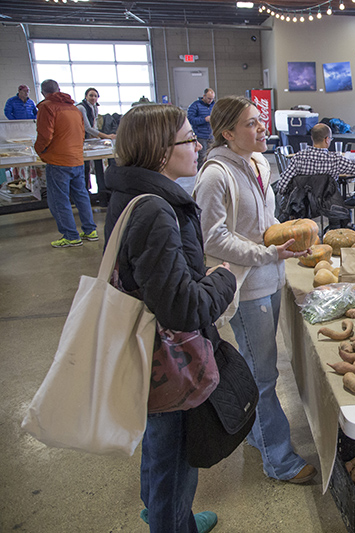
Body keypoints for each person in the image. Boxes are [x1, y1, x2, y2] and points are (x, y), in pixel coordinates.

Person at [104, 104, 236, 533]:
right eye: (188, 139)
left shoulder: (132, 193)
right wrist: (223, 279)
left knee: (159, 444)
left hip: (146, 348)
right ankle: (172, 522)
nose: (198, 145)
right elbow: (181, 309)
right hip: (168, 356)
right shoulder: (157, 209)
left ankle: (168, 514)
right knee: (174, 457)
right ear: (161, 152)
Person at [193, 96, 317, 484]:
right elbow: (211, 239)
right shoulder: (215, 175)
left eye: (261, 121)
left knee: (261, 367)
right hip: (246, 289)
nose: (262, 128)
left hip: (272, 278)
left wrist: (291, 234)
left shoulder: (260, 162)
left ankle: (255, 433)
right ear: (228, 133)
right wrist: (265, 253)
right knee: (262, 376)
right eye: (251, 124)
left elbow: (264, 220)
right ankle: (279, 461)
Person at [276, 123, 355, 228]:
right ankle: (336, 232)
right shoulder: (334, 159)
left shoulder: (298, 158)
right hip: (328, 207)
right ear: (327, 139)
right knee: (339, 203)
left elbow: (282, 185)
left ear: (312, 139)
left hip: (302, 207)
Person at [33, 79, 98, 248]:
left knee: (58, 200)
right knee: (81, 195)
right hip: (76, 159)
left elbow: (45, 135)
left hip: (58, 161)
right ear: (59, 90)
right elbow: (82, 131)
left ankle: (70, 236)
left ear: (42, 93)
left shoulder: (46, 107)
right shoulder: (73, 108)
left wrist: (39, 151)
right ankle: (90, 230)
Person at [76, 87, 116, 204]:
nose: (93, 98)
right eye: (91, 95)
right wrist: (106, 136)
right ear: (86, 96)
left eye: (95, 96)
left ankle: (102, 194)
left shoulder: (94, 107)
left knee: (97, 165)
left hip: (90, 140)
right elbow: (87, 127)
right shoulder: (81, 108)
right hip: (81, 140)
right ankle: (84, 195)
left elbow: (94, 125)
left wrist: (98, 137)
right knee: (85, 168)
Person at [187, 88, 215, 165]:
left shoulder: (214, 105)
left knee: (212, 156)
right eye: (209, 98)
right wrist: (204, 119)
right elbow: (190, 119)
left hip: (212, 135)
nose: (210, 101)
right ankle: (201, 174)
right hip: (201, 135)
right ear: (204, 96)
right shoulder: (195, 105)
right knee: (202, 157)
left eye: (212, 99)